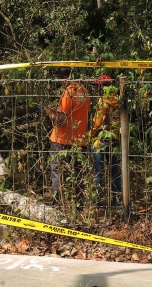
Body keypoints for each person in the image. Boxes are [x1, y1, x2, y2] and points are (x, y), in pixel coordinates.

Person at [48, 67, 91, 210]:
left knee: (57, 171)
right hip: (79, 140)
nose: (59, 83)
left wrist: (50, 113)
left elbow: (61, 120)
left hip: (62, 139)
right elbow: (84, 113)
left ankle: (56, 205)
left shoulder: (68, 93)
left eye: (60, 80)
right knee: (78, 173)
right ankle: (79, 206)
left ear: (65, 78)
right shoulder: (84, 91)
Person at [90, 74, 121, 206]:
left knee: (98, 169)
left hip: (101, 139)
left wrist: (91, 134)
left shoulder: (103, 102)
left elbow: (98, 123)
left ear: (103, 87)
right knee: (115, 169)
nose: (97, 90)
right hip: (114, 139)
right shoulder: (117, 100)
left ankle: (97, 200)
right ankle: (117, 199)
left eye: (98, 86)